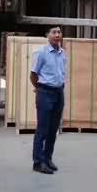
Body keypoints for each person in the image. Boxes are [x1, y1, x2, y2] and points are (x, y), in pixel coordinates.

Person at [30, 26, 67, 175]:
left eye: (59, 32)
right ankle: (38, 162)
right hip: (45, 92)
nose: (57, 34)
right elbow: (33, 75)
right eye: (54, 32)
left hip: (59, 92)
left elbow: (61, 73)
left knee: (53, 129)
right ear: (47, 35)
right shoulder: (41, 53)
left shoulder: (62, 53)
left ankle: (47, 158)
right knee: (43, 129)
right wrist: (40, 88)